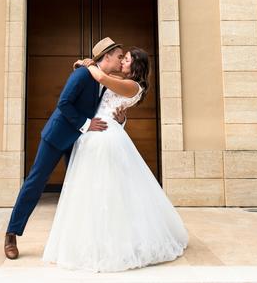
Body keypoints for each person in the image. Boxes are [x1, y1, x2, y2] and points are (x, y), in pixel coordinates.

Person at [42, 47, 188, 272]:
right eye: (121, 57)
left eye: (126, 59)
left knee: (109, 190)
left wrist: (87, 62)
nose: (122, 61)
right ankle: (89, 238)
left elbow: (100, 76)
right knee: (92, 189)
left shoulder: (132, 85)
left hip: (105, 136)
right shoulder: (121, 80)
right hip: (96, 131)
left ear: (135, 65)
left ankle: (112, 243)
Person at [4, 37, 127, 260]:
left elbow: (104, 110)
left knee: (80, 188)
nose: (121, 61)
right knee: (35, 182)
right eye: (119, 56)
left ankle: (79, 241)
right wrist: (86, 124)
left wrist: (119, 120)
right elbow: (64, 103)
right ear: (106, 56)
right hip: (57, 136)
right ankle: (11, 234)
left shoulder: (106, 80)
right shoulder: (81, 74)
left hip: (80, 142)